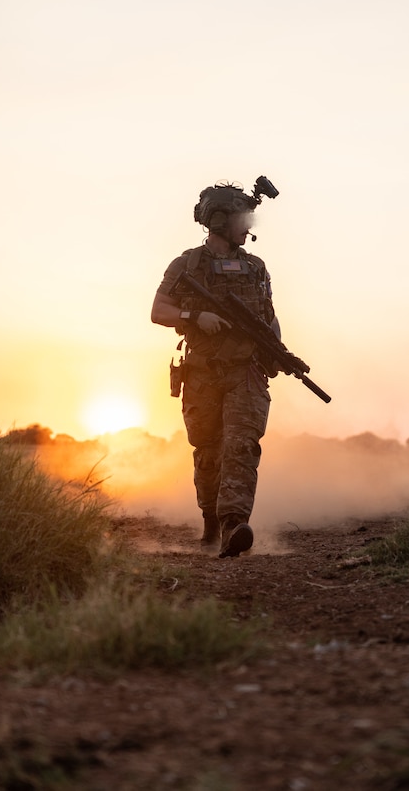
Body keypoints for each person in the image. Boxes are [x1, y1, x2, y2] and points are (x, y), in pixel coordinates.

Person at [151, 182, 280, 558]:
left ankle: (232, 525)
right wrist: (195, 316)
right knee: (208, 452)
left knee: (241, 445)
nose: (249, 226)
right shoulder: (187, 265)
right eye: (243, 218)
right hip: (202, 372)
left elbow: (269, 316)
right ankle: (211, 519)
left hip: (245, 372)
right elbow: (158, 311)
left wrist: (277, 352)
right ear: (220, 221)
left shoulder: (256, 267)